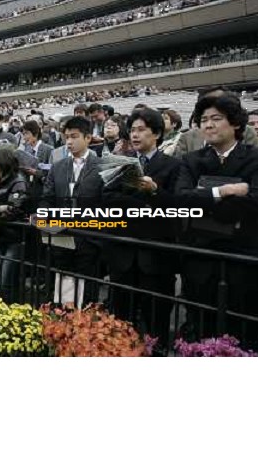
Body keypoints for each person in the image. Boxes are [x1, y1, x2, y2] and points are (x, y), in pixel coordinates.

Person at [175, 95, 258, 351]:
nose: (208, 125)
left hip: (245, 262)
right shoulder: (191, 160)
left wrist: (203, 197)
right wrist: (224, 191)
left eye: (216, 119)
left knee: (242, 338)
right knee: (200, 333)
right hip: (200, 261)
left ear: (236, 124)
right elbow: (181, 199)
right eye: (204, 120)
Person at [103, 108, 182, 353]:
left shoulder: (174, 166)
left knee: (155, 322)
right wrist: (142, 201)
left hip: (156, 259)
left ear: (157, 133)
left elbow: (177, 208)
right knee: (121, 321)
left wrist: (155, 192)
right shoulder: (121, 163)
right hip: (122, 255)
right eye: (132, 130)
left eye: (141, 130)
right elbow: (107, 199)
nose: (134, 135)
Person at [40, 116, 104, 306]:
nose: (69, 141)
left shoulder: (102, 166)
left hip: (88, 239)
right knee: (62, 290)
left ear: (88, 138)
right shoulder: (58, 167)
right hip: (61, 238)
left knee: (86, 297)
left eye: (74, 136)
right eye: (66, 136)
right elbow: (46, 198)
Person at [0, 148, 30, 303]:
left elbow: (13, 211)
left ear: (0, 165)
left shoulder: (18, 182)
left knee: (7, 281)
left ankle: (9, 315)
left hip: (14, 238)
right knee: (1, 276)